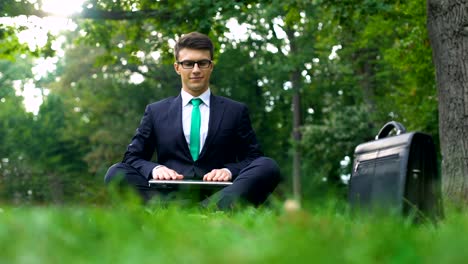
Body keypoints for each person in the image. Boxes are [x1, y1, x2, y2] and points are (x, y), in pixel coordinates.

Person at [104, 32, 280, 209]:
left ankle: (203, 210)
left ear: (211, 66)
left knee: (268, 166)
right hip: (168, 193)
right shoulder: (156, 111)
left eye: (202, 63)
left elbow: (253, 158)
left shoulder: (235, 111)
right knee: (116, 172)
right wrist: (155, 169)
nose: (196, 70)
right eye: (188, 63)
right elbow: (132, 157)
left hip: (220, 194)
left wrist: (228, 170)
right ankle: (186, 212)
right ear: (177, 67)